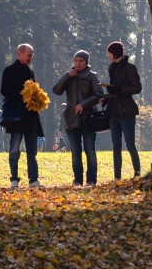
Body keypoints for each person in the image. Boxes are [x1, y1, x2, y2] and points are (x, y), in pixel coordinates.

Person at [52, 50, 104, 185]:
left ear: (86, 62)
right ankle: (77, 181)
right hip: (71, 118)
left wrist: (83, 104)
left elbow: (99, 94)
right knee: (75, 152)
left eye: (81, 61)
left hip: (88, 119)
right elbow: (56, 90)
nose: (78, 63)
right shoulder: (69, 75)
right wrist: (66, 76)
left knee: (90, 151)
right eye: (76, 60)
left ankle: (91, 180)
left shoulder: (92, 76)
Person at [0, 43, 45, 188]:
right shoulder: (9, 71)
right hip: (15, 116)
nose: (30, 58)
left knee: (32, 150)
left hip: (30, 116)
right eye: (29, 55)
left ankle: (33, 179)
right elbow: (4, 91)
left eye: (32, 56)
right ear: (20, 53)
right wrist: (22, 93)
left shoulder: (30, 72)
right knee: (14, 148)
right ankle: (14, 178)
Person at [102, 41, 142, 179]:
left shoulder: (130, 68)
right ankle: (117, 176)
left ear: (115, 53)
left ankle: (137, 173)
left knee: (130, 144)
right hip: (113, 111)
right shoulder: (112, 67)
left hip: (126, 111)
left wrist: (119, 90)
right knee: (116, 145)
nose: (108, 55)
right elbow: (115, 89)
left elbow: (137, 87)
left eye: (109, 52)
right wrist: (108, 97)